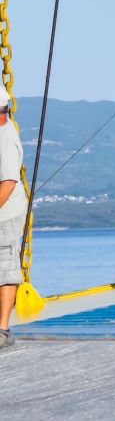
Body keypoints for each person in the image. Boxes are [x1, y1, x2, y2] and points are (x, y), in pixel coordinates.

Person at [0, 97, 27, 349]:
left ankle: (2, 330)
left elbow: (8, 183)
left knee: (6, 270)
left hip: (5, 213)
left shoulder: (5, 140)